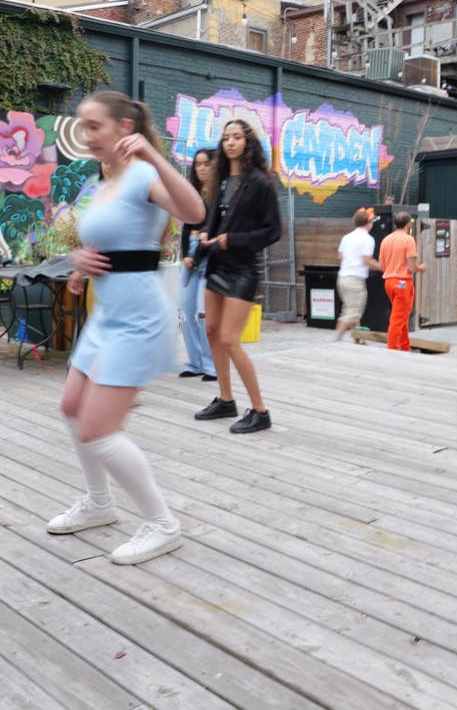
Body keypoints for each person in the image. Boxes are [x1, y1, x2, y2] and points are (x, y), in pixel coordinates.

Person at [47, 91, 206, 564]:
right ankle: (99, 504)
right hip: (107, 315)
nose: (85, 134)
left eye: (94, 125)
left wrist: (153, 154)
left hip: (139, 317)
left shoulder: (143, 173)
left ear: (124, 127)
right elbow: (112, 244)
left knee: (98, 428)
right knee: (72, 407)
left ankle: (163, 524)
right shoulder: (106, 182)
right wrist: (80, 264)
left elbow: (194, 212)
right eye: (82, 125)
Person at [191, 119, 284, 434]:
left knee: (230, 338)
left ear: (247, 142)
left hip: (243, 268)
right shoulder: (219, 180)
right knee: (212, 331)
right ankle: (226, 400)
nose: (230, 142)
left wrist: (234, 240)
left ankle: (260, 411)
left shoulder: (260, 182)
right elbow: (217, 221)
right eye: (225, 137)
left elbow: (273, 231)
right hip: (216, 264)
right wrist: (206, 234)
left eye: (236, 137)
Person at [177, 149, 218, 382]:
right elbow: (186, 226)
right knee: (183, 311)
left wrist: (199, 252)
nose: (201, 168)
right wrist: (185, 254)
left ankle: (211, 366)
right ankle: (194, 362)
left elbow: (214, 229)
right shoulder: (192, 193)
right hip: (190, 255)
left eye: (206, 164)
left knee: (204, 313)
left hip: (209, 257)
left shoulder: (221, 194)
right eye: (198, 165)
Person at [379, 211, 426, 351]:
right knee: (398, 318)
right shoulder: (408, 239)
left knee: (402, 315)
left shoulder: (386, 240)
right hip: (403, 283)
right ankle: (392, 348)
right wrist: (420, 268)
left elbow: (381, 266)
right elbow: (412, 266)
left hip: (389, 282)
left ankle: (405, 347)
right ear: (408, 224)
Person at [334, 208, 380, 343]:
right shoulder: (368, 239)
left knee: (352, 310)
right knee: (351, 314)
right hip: (355, 280)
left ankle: (359, 342)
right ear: (368, 223)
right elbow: (366, 260)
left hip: (342, 279)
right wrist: (380, 266)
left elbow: (339, 257)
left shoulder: (346, 237)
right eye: (372, 221)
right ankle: (335, 342)